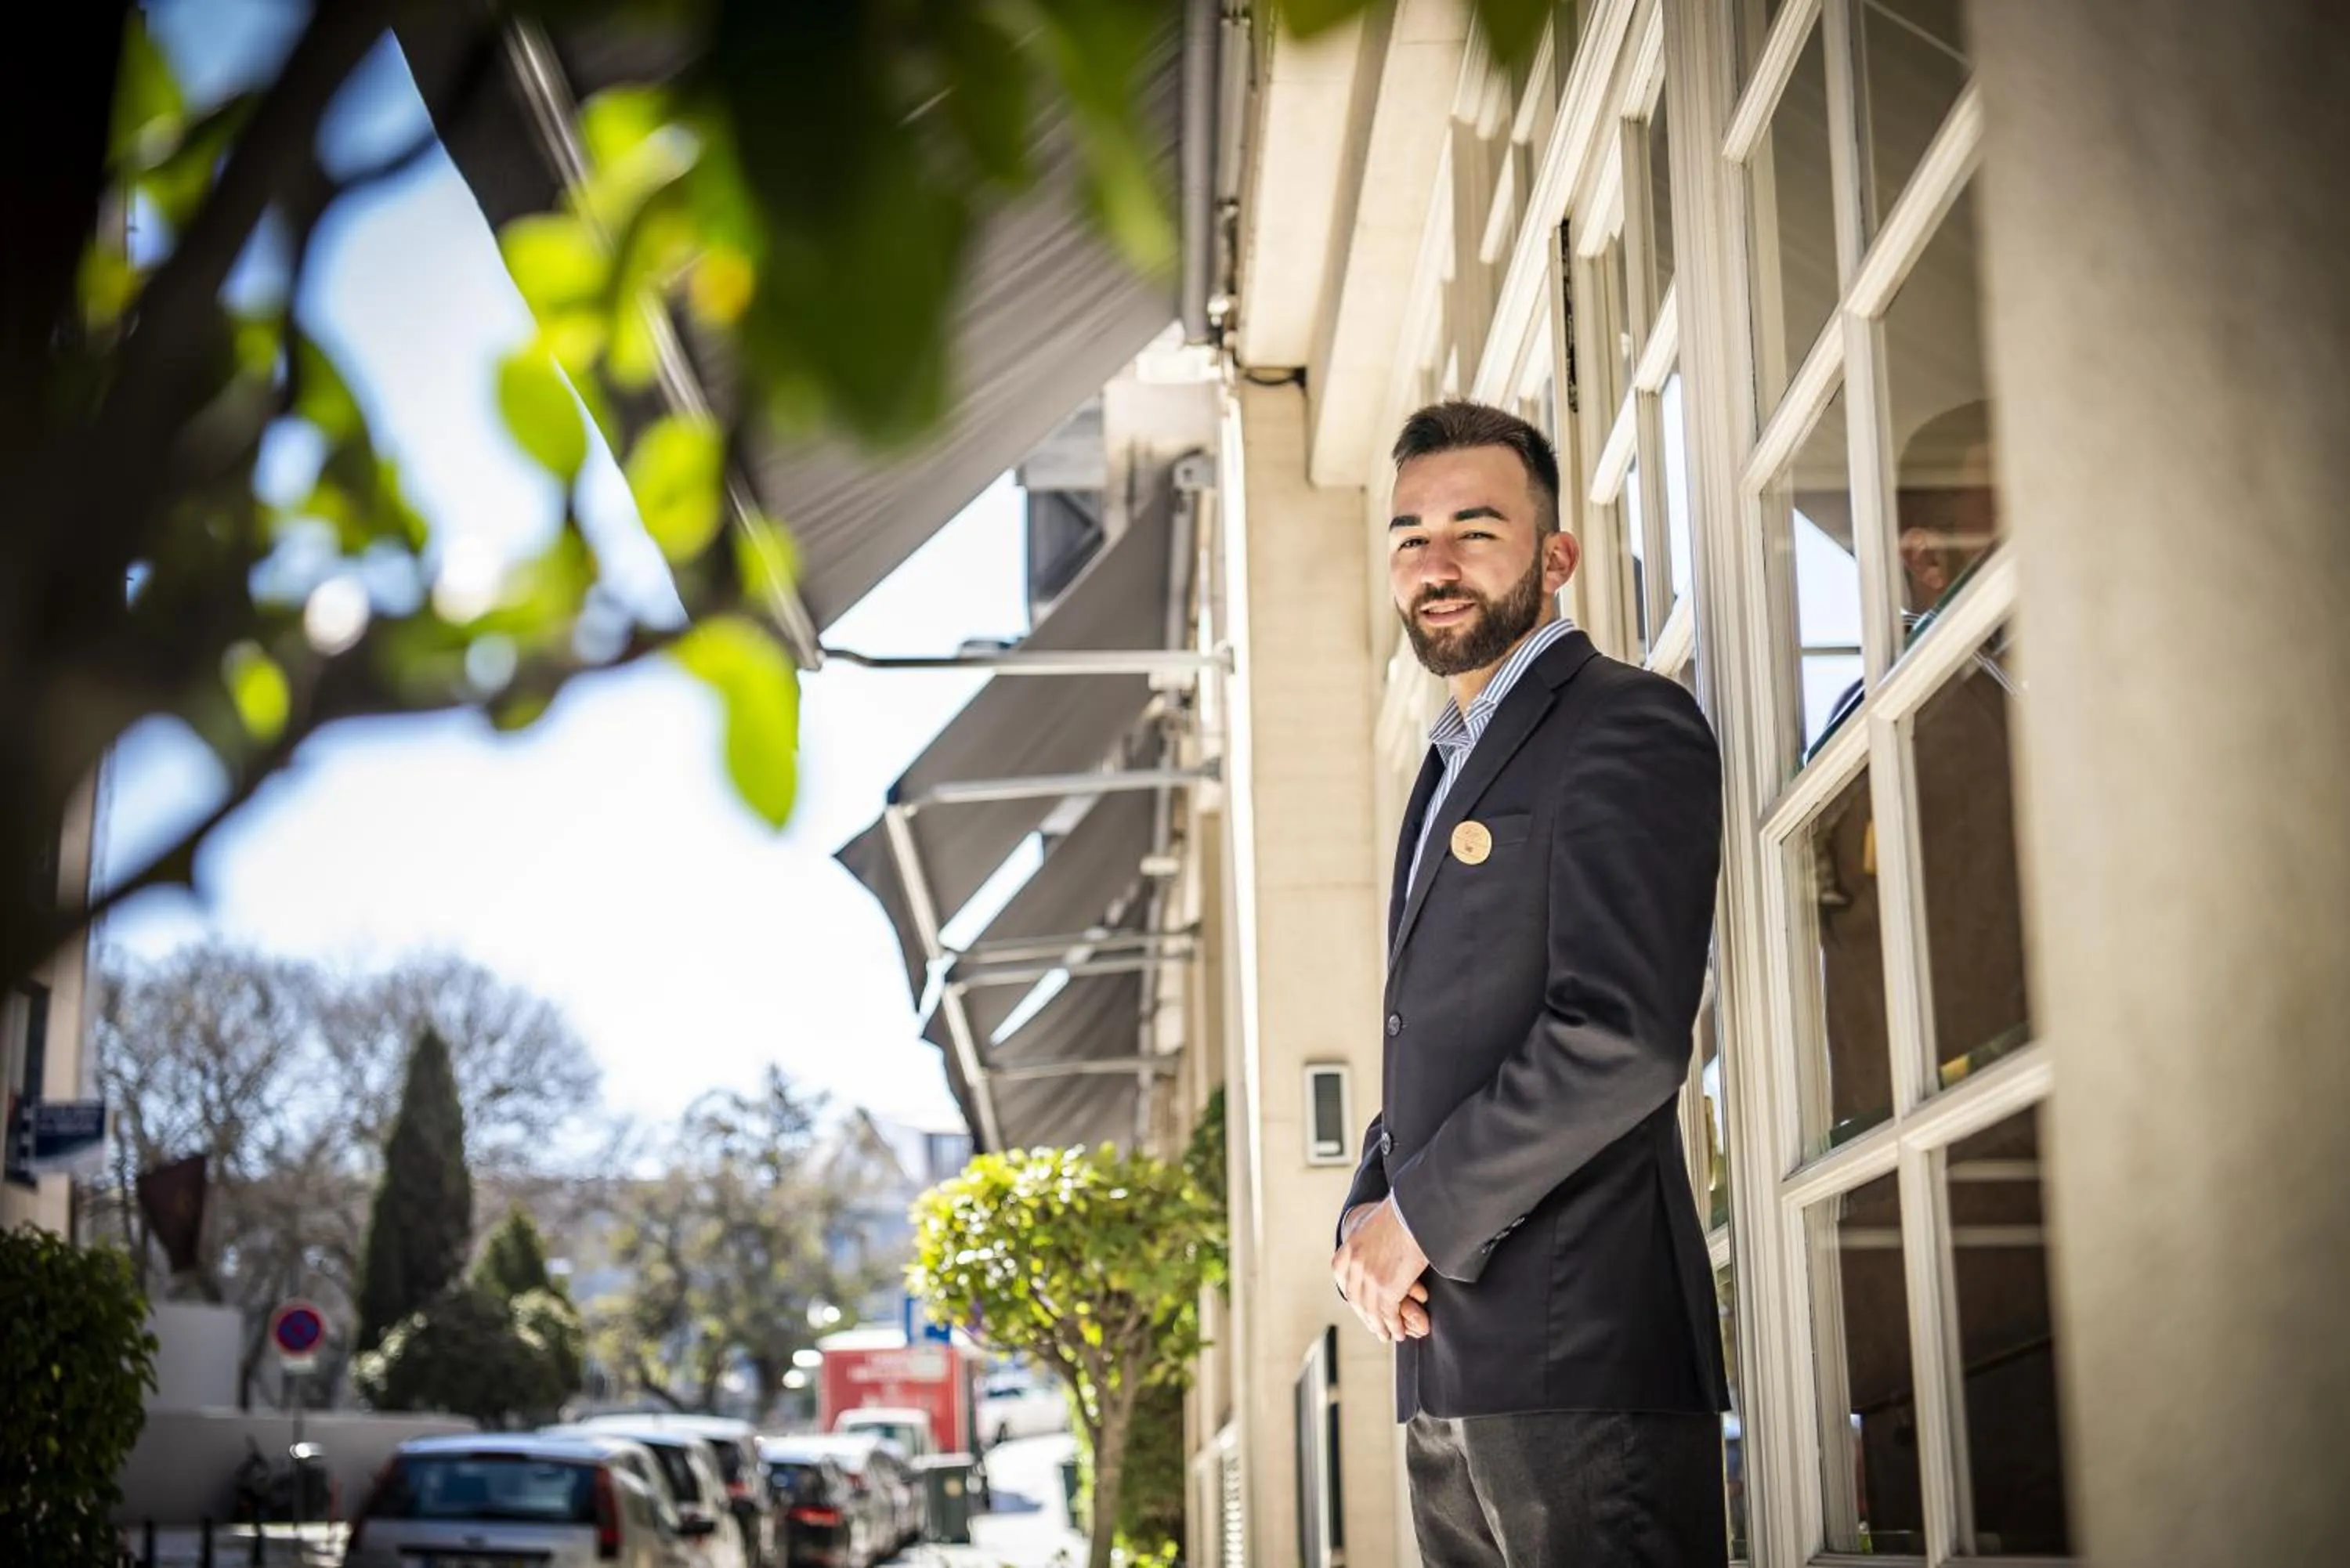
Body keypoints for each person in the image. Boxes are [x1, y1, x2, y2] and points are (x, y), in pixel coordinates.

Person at [1330, 400, 1728, 1567]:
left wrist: (1417, 1216)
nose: (1436, 564)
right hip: (1445, 1359)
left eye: (1476, 530)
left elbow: (1620, 1038)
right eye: (1411, 537)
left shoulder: (1624, 724)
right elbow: (1448, 1034)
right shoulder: (1445, 766)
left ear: (1556, 556)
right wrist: (1368, 1213)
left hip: (1585, 1361)